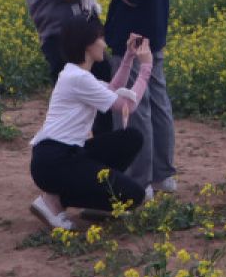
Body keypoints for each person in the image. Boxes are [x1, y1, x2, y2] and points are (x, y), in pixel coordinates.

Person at [28, 15, 152, 229]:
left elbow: (112, 89)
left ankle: (99, 204)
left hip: (61, 155)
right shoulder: (78, 78)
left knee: (130, 138)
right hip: (55, 161)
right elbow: (127, 107)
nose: (105, 44)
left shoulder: (77, 75)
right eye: (101, 38)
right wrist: (146, 67)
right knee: (135, 195)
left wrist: (129, 58)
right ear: (87, 44)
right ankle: (54, 202)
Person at [96, 0, 176, 195]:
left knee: (132, 105)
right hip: (154, 30)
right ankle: (164, 174)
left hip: (131, 36)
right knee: (158, 101)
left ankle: (139, 181)